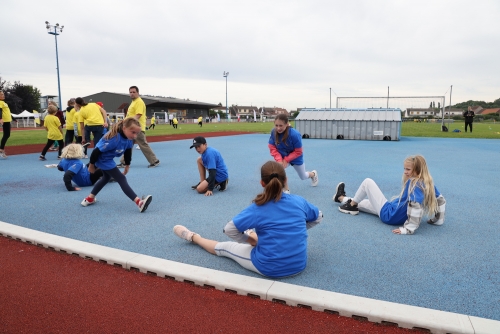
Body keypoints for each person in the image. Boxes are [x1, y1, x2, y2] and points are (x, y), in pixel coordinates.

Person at [173, 160, 323, 278]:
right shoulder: (299, 201)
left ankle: (193, 237)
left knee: (224, 247)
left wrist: (251, 241)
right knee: (261, 231)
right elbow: (318, 217)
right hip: (299, 265)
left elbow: (229, 230)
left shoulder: (258, 208)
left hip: (269, 267)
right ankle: (252, 233)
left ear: (262, 183)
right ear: (286, 180)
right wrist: (296, 228)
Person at [334, 155, 446, 235]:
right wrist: (438, 219)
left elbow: (415, 205)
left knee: (368, 182)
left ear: (418, 170)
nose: (405, 172)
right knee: (364, 203)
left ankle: (352, 205)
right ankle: (340, 197)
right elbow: (440, 200)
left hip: (390, 214)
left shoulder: (414, 183)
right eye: (404, 169)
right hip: (392, 212)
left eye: (408, 169)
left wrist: (408, 229)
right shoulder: (428, 183)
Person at [81, 118, 153, 213]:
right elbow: (96, 151)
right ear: (124, 128)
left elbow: (128, 152)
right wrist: (91, 165)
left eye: (137, 133)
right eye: (133, 132)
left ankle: (89, 198)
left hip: (108, 159)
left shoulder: (128, 139)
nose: (135, 136)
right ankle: (139, 202)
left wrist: (127, 165)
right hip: (102, 159)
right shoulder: (113, 139)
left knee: (106, 178)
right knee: (121, 179)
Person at [268, 114, 318, 193]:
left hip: (296, 157)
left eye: (281, 125)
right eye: (276, 125)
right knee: (278, 169)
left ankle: (313, 174)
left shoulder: (295, 134)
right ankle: (286, 189)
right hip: (282, 157)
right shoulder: (274, 132)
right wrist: (279, 159)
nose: (278, 128)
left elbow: (299, 151)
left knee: (303, 176)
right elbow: (272, 147)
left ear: (287, 124)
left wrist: (287, 159)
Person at [117, 86, 160, 168]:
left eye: (134, 92)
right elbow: (130, 115)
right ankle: (124, 161)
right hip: (132, 128)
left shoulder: (139, 102)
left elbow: (138, 115)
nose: (132, 94)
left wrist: (127, 122)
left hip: (137, 128)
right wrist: (123, 122)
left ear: (138, 93)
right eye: (130, 92)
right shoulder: (133, 102)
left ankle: (154, 161)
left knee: (143, 144)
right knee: (128, 144)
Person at [0, 90, 12, 158]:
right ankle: (1, 150)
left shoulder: (4, 103)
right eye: (1, 94)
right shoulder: (0, 102)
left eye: (3, 94)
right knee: (6, 135)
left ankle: (1, 149)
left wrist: (13, 118)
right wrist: (0, 118)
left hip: (8, 120)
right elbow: (0, 110)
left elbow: (8, 112)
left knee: (7, 135)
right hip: (5, 121)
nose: (3, 95)